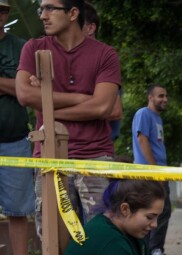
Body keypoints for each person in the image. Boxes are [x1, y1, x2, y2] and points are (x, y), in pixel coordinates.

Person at [16, 0, 121, 229]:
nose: (43, 16)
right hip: (49, 155)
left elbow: (103, 107)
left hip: (95, 157)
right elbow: (24, 95)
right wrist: (83, 98)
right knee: (53, 244)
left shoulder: (106, 54)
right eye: (41, 9)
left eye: (50, 8)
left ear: (73, 13)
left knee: (103, 237)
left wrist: (46, 102)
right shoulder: (33, 48)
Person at [0, 0, 42, 255]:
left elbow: (26, 90)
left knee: (18, 210)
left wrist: (14, 86)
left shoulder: (21, 47)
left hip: (15, 139)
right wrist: (11, 84)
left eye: (1, 10)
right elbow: (15, 86)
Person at [132, 84, 172, 255]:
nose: (164, 99)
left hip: (159, 171)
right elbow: (142, 140)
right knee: (151, 211)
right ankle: (149, 251)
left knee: (162, 211)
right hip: (149, 173)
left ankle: (155, 249)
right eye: (160, 96)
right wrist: (154, 170)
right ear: (150, 97)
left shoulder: (157, 118)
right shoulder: (144, 113)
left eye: (166, 96)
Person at [82, 1, 122, 142]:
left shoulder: (105, 57)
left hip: (98, 150)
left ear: (90, 28)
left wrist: (56, 111)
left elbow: (115, 110)